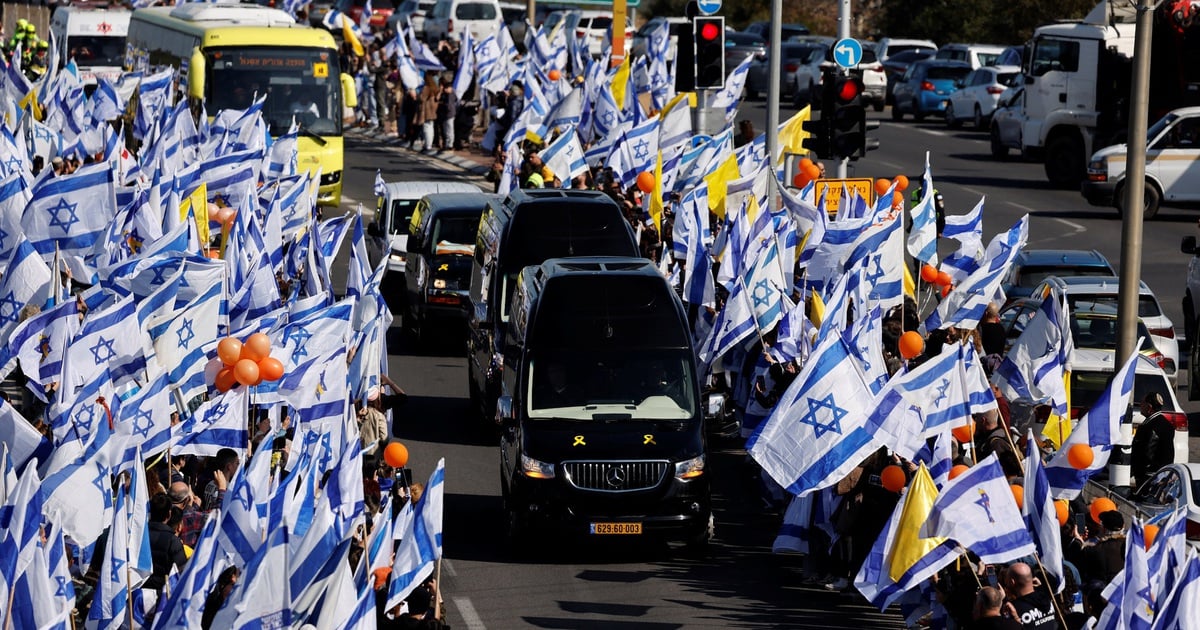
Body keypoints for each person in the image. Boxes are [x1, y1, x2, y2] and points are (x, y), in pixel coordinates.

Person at [1130, 392, 1175, 486]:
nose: (1140, 405)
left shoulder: (1150, 427)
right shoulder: (1166, 424)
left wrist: (1139, 473)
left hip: (1149, 478)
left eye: (1142, 403)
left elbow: (1147, 454)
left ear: (1149, 407)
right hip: (1164, 473)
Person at [146, 494, 188, 591]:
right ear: (169, 514)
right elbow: (182, 570)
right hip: (163, 594)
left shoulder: (137, 536)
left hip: (138, 592)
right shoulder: (173, 541)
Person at [1001, 562, 1057, 629]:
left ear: (1012, 582)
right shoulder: (1046, 598)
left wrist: (1001, 601)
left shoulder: (1013, 609)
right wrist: (1039, 588)